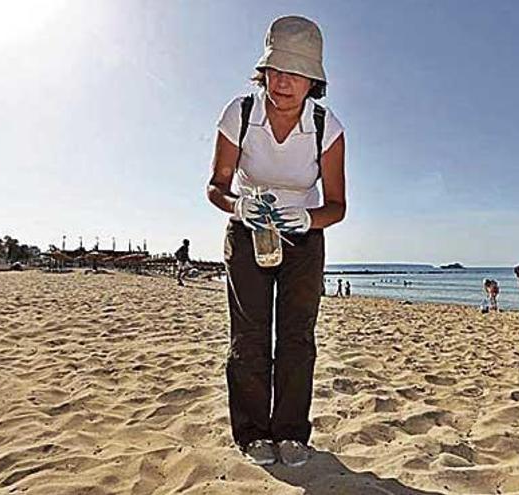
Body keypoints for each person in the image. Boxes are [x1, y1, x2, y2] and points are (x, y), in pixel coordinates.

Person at [205, 16, 346, 467]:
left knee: (296, 337)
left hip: (303, 240)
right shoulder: (240, 114)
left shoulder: (328, 127)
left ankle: (290, 433)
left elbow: (337, 205)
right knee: (249, 335)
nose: (283, 82)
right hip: (249, 233)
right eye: (276, 70)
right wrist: (235, 207)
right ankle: (251, 433)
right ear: (263, 70)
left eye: (296, 72)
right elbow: (216, 185)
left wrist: (306, 218)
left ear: (313, 81)